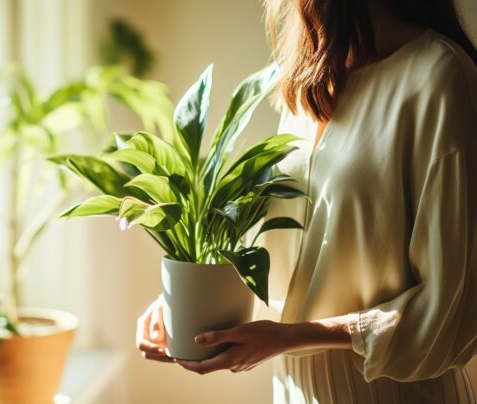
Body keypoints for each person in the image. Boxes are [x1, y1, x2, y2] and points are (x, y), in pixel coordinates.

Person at [136, 0, 477, 402]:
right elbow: (292, 248)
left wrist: (293, 336)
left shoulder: (440, 77)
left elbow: (453, 310)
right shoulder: (314, 80)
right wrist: (185, 299)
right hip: (292, 388)